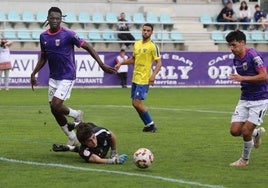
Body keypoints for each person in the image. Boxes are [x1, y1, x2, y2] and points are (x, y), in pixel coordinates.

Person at [31, 7, 117, 146]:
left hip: (67, 75)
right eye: (52, 18)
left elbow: (87, 46)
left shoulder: (69, 34)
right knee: (54, 110)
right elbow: (43, 57)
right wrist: (34, 73)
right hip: (54, 77)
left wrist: (101, 64)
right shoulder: (43, 36)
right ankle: (72, 137)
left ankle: (76, 114)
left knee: (56, 105)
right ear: (47, 18)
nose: (54, 21)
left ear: (61, 19)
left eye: (57, 18)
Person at [226, 30, 267, 167]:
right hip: (245, 98)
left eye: (234, 45)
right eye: (230, 46)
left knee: (245, 131)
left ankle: (244, 160)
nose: (232, 48)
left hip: (260, 98)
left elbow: (264, 76)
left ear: (243, 42)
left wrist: (243, 78)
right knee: (234, 131)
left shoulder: (253, 56)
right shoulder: (236, 58)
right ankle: (256, 134)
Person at [115, 23, 162, 133]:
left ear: (151, 32)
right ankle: (148, 125)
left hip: (144, 79)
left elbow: (159, 63)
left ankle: (151, 124)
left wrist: (153, 75)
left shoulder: (153, 46)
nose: (146, 32)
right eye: (144, 30)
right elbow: (133, 59)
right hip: (135, 78)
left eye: (148, 30)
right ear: (142, 31)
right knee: (134, 104)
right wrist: (121, 63)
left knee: (137, 103)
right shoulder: (136, 44)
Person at [52, 122, 128, 164]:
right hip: (88, 149)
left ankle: (77, 125)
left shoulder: (100, 132)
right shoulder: (84, 151)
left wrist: (114, 152)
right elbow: (97, 159)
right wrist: (113, 161)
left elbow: (112, 135)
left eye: (93, 138)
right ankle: (69, 147)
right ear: (84, 142)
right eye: (89, 141)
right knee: (95, 153)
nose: (94, 141)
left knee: (90, 126)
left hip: (94, 130)